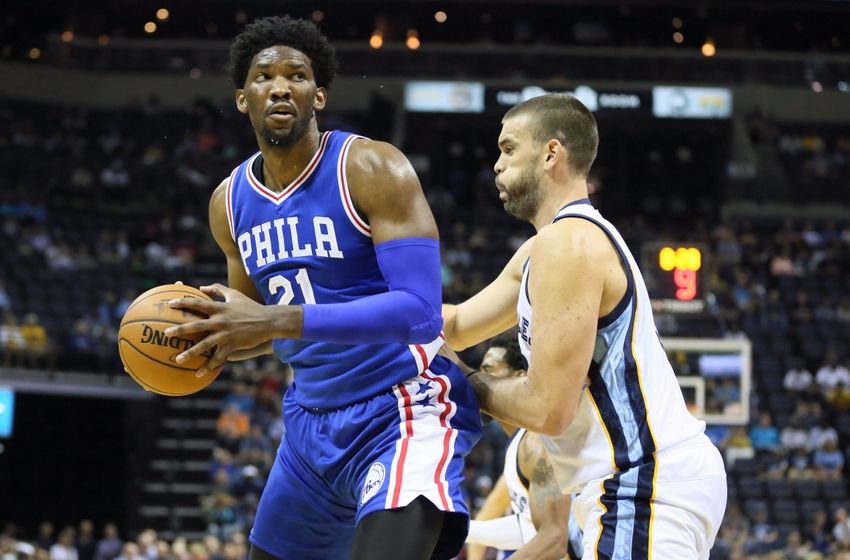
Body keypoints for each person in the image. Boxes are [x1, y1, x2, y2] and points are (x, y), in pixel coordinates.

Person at [165, 15, 480, 560]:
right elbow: (256, 325)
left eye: (298, 75)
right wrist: (210, 337)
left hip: (401, 409)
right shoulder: (230, 202)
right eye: (265, 76)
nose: (281, 85)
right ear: (244, 99)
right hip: (309, 425)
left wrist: (275, 322)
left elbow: (422, 312)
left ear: (319, 95)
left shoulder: (372, 166)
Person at [442, 93, 726, 558]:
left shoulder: (568, 244)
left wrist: (459, 377)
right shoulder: (546, 248)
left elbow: (547, 410)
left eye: (508, 149)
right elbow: (453, 325)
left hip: (642, 477)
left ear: (551, 153)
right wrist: (360, 313)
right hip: (633, 481)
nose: (496, 165)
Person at [465, 333, 580, 560]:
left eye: (488, 371)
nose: (478, 381)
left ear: (519, 377)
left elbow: (554, 540)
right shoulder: (522, 440)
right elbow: (530, 529)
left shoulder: (536, 443)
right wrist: (461, 530)